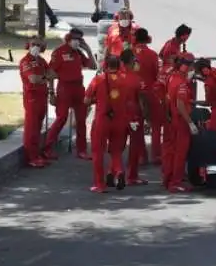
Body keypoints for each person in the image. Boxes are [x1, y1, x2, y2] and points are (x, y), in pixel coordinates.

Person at [85, 55, 141, 192]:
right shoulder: (124, 81)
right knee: (116, 151)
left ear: (105, 65)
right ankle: (119, 171)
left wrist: (97, 100)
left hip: (102, 119)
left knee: (98, 152)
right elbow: (128, 102)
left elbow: (86, 100)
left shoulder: (98, 80)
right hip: (119, 119)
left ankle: (100, 184)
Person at [44, 28, 95, 160]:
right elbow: (50, 74)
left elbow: (93, 66)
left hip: (78, 87)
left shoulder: (78, 53)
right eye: (75, 38)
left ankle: (81, 150)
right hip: (64, 88)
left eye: (79, 39)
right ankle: (48, 148)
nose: (77, 41)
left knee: (81, 119)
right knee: (61, 118)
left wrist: (87, 49)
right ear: (68, 38)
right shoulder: (59, 52)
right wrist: (51, 93)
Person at [163, 53, 198, 193]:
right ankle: (175, 182)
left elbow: (167, 100)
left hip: (172, 119)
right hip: (181, 120)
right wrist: (190, 123)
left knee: (170, 151)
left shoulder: (171, 77)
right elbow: (180, 104)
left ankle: (167, 179)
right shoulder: (181, 82)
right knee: (180, 153)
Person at [19, 37, 52, 168]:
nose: (36, 47)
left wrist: (43, 79)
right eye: (34, 44)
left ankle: (37, 154)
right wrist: (45, 77)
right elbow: (33, 79)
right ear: (28, 45)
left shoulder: (42, 61)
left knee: (38, 128)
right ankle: (31, 157)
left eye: (39, 45)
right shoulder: (25, 61)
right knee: (31, 128)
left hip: (42, 96)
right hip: (31, 98)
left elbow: (53, 74)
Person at [133, 28, 163, 164]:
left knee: (137, 125)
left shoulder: (129, 53)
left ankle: (141, 156)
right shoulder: (152, 55)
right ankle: (156, 155)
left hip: (134, 93)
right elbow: (157, 74)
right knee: (156, 125)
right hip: (150, 92)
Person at [119, 49, 147, 185]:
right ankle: (132, 176)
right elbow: (141, 100)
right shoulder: (137, 78)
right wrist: (145, 116)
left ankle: (115, 171)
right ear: (131, 60)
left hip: (119, 113)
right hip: (134, 114)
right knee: (135, 147)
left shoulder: (116, 76)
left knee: (118, 146)